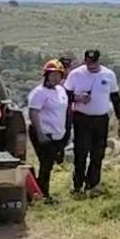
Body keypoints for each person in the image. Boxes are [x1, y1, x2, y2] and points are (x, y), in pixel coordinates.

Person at [64, 49, 120, 195]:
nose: (90, 66)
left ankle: (92, 184)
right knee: (81, 152)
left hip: (101, 119)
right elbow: (65, 95)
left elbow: (116, 98)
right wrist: (77, 98)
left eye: (93, 63)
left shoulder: (108, 75)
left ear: (98, 61)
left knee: (98, 153)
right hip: (82, 118)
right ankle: (77, 184)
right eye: (88, 63)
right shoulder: (76, 74)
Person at [27, 59, 70, 199]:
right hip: (44, 133)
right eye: (53, 75)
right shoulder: (39, 93)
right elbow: (33, 113)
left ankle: (38, 191)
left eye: (58, 75)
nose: (56, 78)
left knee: (50, 163)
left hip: (58, 133)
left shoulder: (61, 90)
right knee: (46, 163)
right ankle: (42, 194)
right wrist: (40, 133)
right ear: (46, 75)